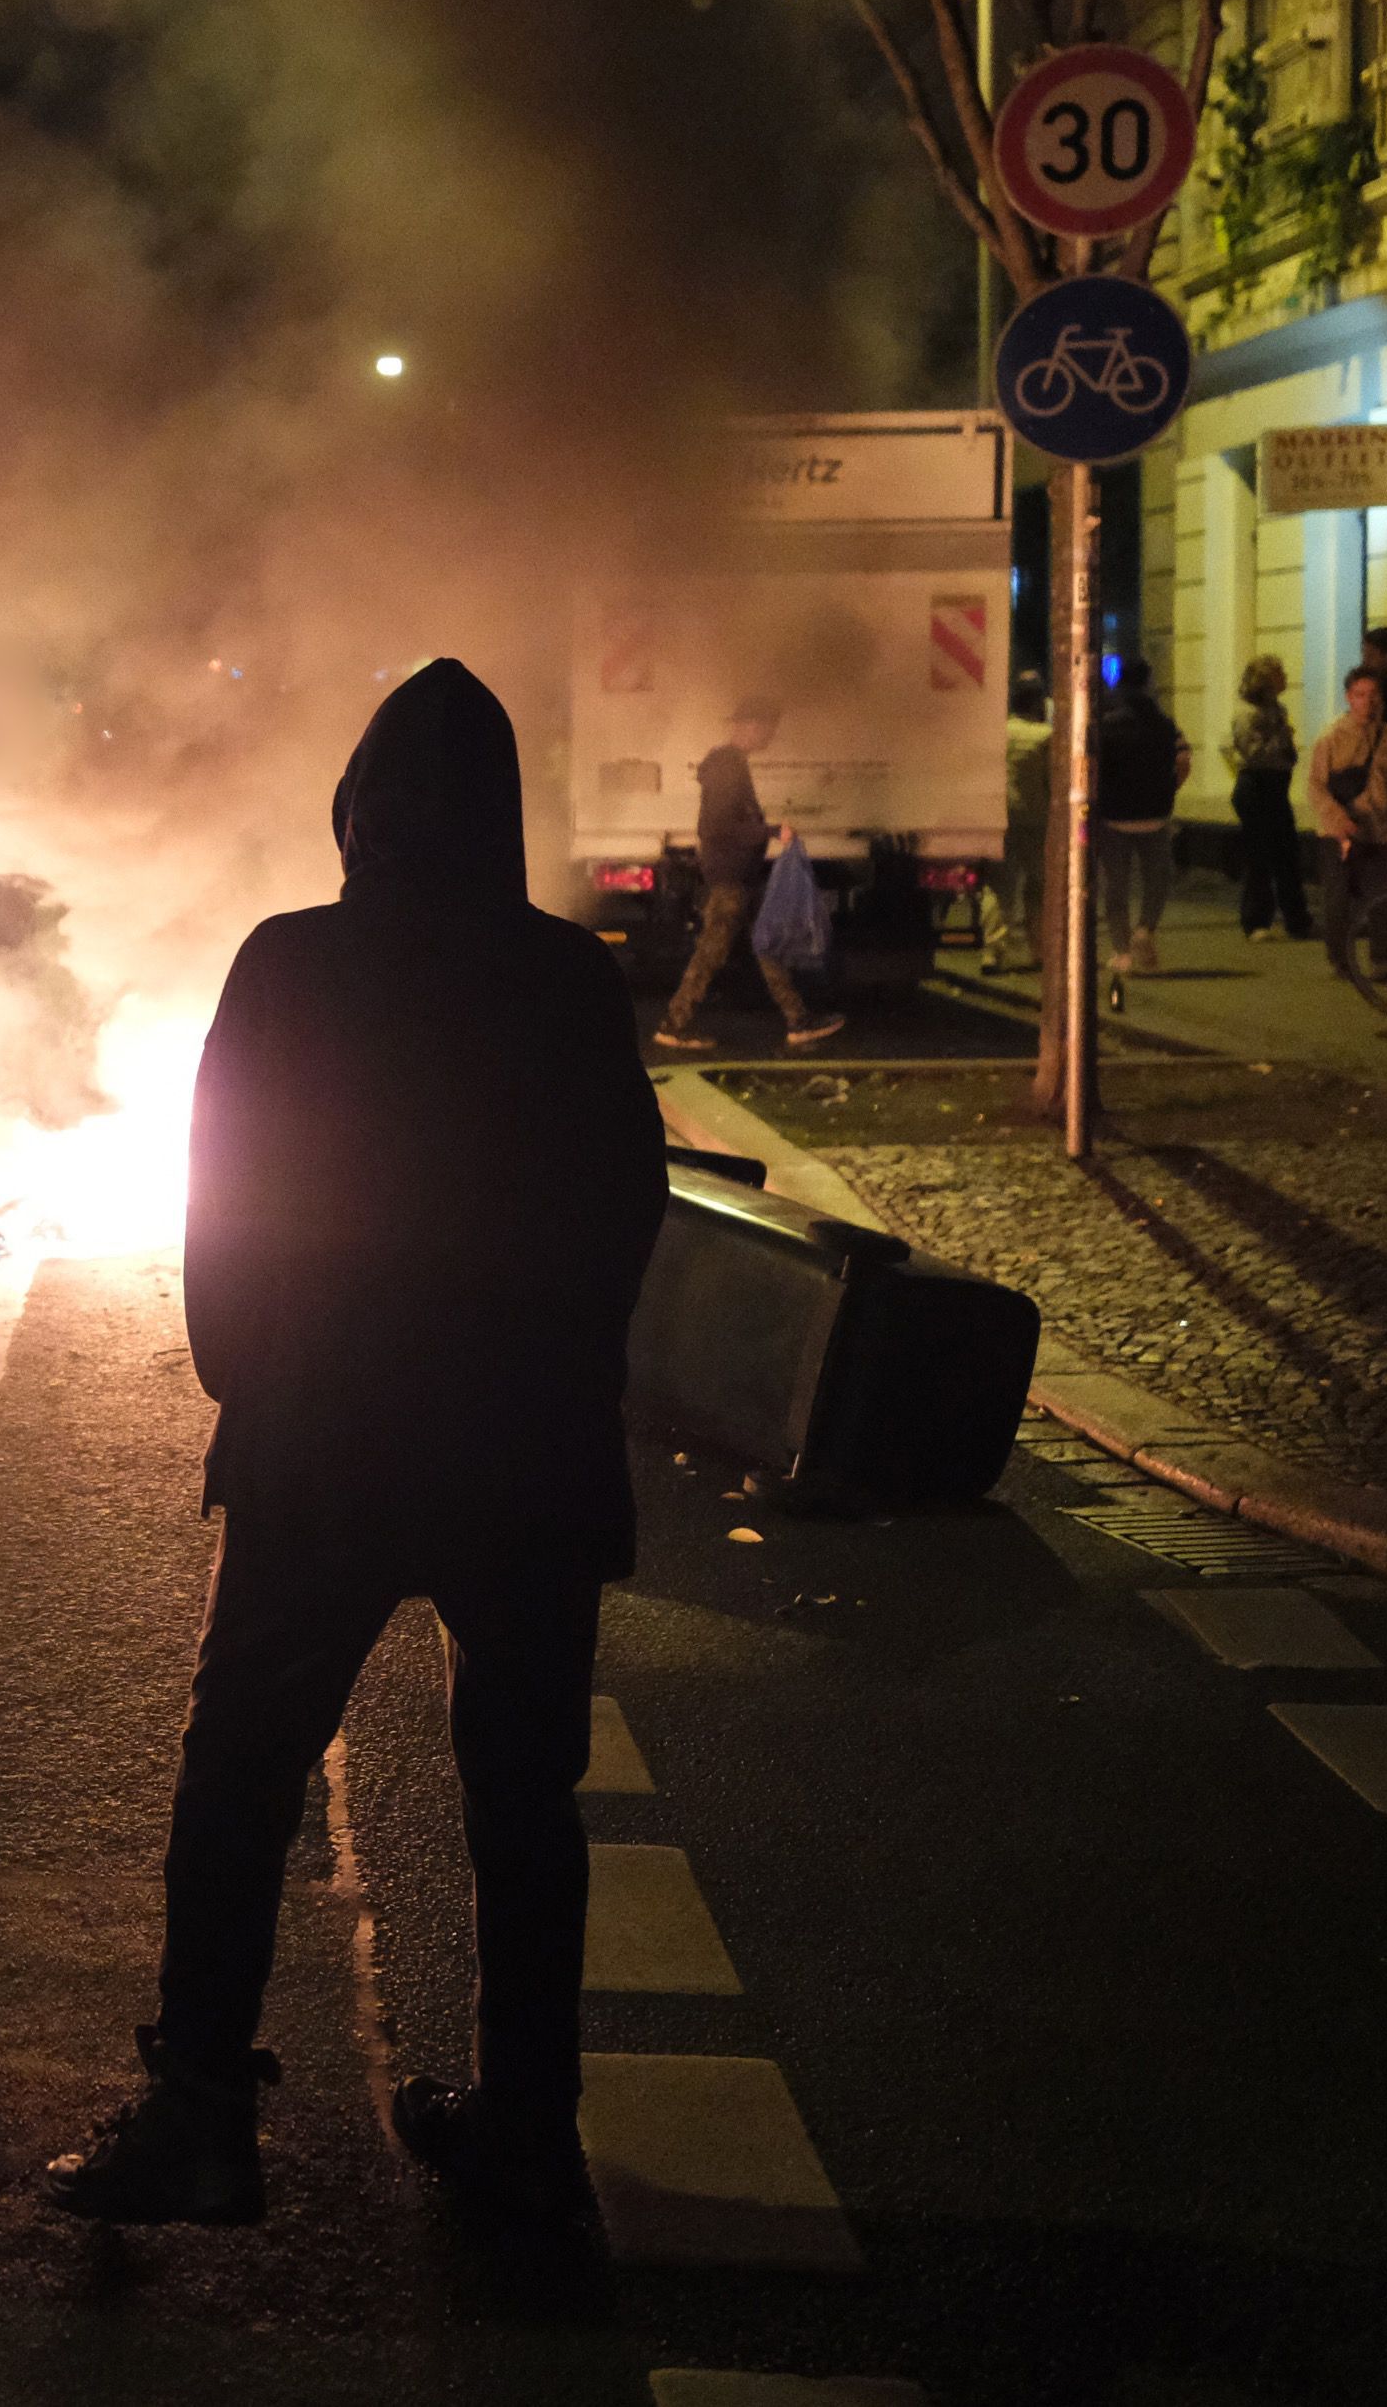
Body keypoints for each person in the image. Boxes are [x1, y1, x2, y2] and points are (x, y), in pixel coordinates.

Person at [43, 658, 666, 2280]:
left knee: (240, 1776)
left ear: (353, 813)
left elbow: (222, 1191)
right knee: (521, 1801)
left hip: (325, 1437)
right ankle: (526, 2131)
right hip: (522, 1454)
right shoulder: (565, 979)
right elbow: (625, 1205)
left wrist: (243, 1373)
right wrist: (564, 1379)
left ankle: (196, 2114)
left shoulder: (291, 961)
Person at [651, 697, 843, 1051]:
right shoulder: (727, 766)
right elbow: (718, 826)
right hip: (731, 876)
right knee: (712, 952)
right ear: (752, 727)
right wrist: (770, 832)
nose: (770, 737)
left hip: (738, 874)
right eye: (768, 729)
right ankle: (674, 1024)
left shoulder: (730, 763)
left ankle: (798, 1020)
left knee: (766, 944)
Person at [1090, 656, 1185, 975]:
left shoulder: (1106, 724)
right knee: (1156, 878)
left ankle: (1122, 952)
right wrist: (1169, 789)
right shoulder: (1164, 723)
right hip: (1155, 814)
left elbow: (1090, 767)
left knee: (1115, 885)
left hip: (1114, 816)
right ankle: (1145, 929)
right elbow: (1183, 760)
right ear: (1147, 684)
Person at [1306, 667, 1387, 945]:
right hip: (1341, 831)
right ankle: (1340, 957)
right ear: (1349, 697)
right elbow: (1315, 786)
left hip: (1381, 830)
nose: (1367, 702)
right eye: (1360, 695)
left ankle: (1383, 957)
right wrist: (1337, 820)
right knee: (1339, 899)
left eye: (1373, 695)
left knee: (1383, 897)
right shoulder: (1332, 737)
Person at [1225, 655, 1311, 943]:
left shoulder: (1277, 710)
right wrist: (1283, 741)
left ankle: (1296, 918)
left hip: (1276, 784)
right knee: (1260, 854)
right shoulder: (1249, 714)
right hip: (1257, 786)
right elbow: (1256, 753)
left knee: (1287, 852)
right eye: (1279, 673)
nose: (1285, 677)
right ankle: (1256, 920)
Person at [986, 671, 1049, 974]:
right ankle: (1038, 949)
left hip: (1001, 818)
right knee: (1038, 886)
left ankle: (993, 951)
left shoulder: (998, 732)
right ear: (1037, 701)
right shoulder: (1045, 737)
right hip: (1036, 820)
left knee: (999, 887)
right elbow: (1053, 782)